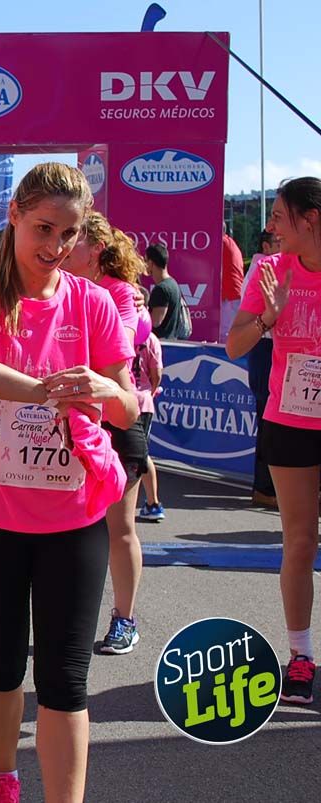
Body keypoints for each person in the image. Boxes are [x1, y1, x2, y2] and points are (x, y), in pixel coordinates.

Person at [0, 163, 137, 803]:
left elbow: (127, 408)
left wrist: (105, 388)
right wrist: (46, 392)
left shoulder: (94, 302)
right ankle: (3, 777)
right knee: (2, 664)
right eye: (44, 228)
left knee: (66, 679)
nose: (55, 246)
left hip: (73, 521)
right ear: (16, 216)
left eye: (69, 233)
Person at [227, 177, 321, 707]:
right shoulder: (269, 270)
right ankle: (300, 655)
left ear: (311, 219)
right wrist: (269, 316)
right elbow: (234, 345)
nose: (270, 227)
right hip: (290, 421)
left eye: (280, 216)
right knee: (299, 542)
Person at [63, 212, 150, 655]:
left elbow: (117, 349)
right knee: (68, 527)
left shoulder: (119, 294)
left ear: (95, 249)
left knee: (120, 528)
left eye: (72, 238)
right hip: (71, 417)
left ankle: (124, 619)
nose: (61, 247)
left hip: (116, 416)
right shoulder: (56, 287)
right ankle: (63, 619)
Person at [244, 230, 280, 508]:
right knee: (269, 420)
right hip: (264, 347)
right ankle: (265, 488)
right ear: (266, 246)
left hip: (268, 347)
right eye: (277, 242)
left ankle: (268, 487)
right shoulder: (262, 269)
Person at [134, 288, 167, 523]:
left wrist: (150, 390)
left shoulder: (126, 331)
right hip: (141, 400)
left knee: (139, 454)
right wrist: (151, 390)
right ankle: (151, 502)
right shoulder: (150, 339)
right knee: (140, 453)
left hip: (130, 399)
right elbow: (157, 373)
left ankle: (153, 502)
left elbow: (156, 374)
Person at [146, 244, 187, 340]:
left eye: (145, 260)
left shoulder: (161, 289)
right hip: (171, 342)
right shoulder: (173, 283)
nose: (144, 265)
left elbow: (155, 322)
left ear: (151, 263)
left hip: (161, 343)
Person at [221, 224, 246, 337]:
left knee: (225, 334)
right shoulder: (230, 242)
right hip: (234, 294)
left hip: (229, 296)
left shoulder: (221, 243)